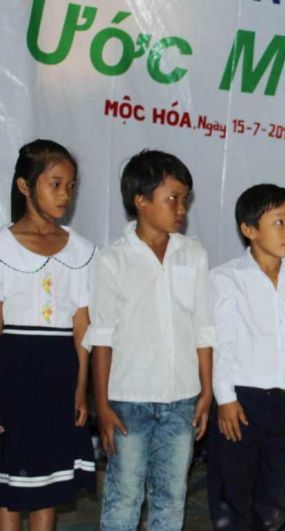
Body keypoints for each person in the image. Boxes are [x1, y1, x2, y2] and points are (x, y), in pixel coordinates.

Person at [86, 150, 215, 530]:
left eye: (185, 199)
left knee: (171, 496)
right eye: (172, 198)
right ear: (140, 200)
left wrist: (206, 391)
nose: (181, 208)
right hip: (128, 401)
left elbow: (204, 327)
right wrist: (102, 404)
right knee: (125, 496)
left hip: (182, 398)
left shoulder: (193, 254)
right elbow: (102, 337)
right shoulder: (112, 260)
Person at [206, 183, 285, 530]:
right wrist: (225, 399)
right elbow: (220, 344)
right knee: (233, 490)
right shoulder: (225, 279)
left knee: (274, 495)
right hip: (241, 400)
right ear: (249, 229)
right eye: (279, 222)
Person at [0, 140, 96, 531]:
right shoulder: (3, 247)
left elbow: (82, 324)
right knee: (9, 480)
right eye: (55, 184)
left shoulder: (82, 251)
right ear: (25, 186)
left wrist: (81, 387)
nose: (65, 195)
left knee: (48, 481)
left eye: (71, 186)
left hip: (59, 375)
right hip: (13, 372)